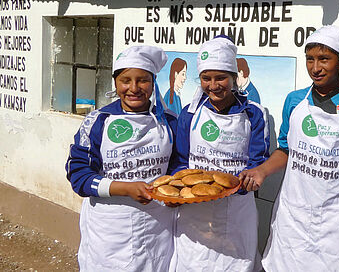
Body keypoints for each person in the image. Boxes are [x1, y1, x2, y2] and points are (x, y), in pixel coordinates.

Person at [242, 25, 339, 271]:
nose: (315, 68)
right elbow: (286, 149)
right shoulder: (295, 100)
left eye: (324, 59)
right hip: (295, 215)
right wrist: (262, 171)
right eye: (310, 59)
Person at [65, 45, 178, 271]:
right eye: (126, 80)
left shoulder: (169, 121)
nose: (134, 88)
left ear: (153, 82)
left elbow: (177, 166)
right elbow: (78, 176)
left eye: (143, 80)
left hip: (157, 227)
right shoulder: (98, 121)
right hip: (110, 230)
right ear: (115, 83)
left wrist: (175, 190)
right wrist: (125, 188)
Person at [169, 36, 270, 271]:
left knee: (236, 264)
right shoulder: (190, 114)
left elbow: (258, 160)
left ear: (234, 78)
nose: (213, 85)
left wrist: (246, 182)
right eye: (206, 78)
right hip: (194, 210)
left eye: (220, 77)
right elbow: (181, 161)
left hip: (236, 209)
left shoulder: (254, 114)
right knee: (193, 263)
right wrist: (178, 191)